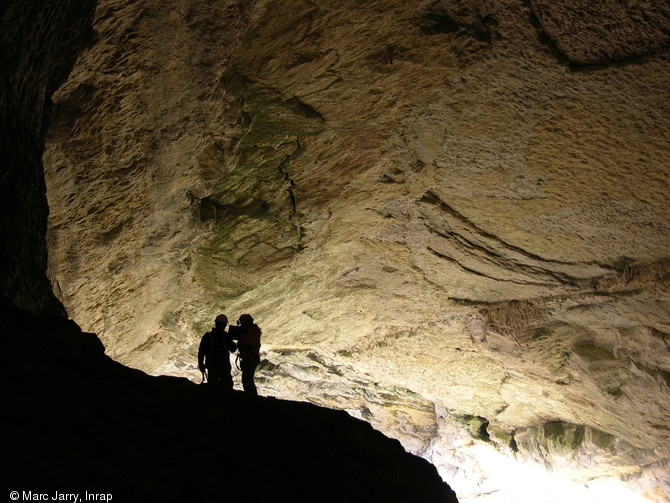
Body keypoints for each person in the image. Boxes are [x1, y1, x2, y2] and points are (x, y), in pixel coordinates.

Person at [198, 314, 237, 392]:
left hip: (216, 366)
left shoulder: (210, 336)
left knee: (215, 387)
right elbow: (233, 349)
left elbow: (201, 352)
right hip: (218, 366)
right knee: (224, 387)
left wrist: (201, 364)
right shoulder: (213, 336)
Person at [229, 314, 262, 396]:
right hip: (249, 358)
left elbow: (248, 343)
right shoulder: (251, 330)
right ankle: (251, 397)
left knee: (247, 380)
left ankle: (252, 398)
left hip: (251, 358)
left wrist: (240, 337)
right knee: (247, 380)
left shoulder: (253, 330)